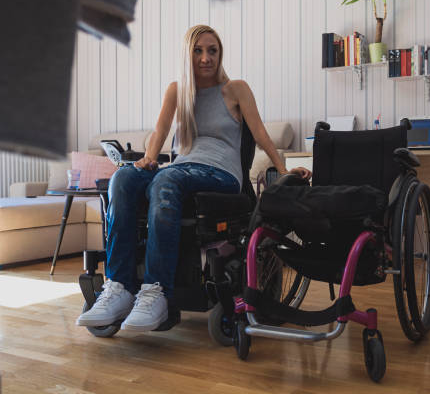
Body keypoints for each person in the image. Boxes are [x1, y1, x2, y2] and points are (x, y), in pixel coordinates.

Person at [76, 25, 311, 332]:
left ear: (220, 54)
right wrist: (147, 160)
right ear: (188, 54)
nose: (205, 58)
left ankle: (156, 293)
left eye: (212, 50)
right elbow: (159, 133)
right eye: (198, 51)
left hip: (221, 175)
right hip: (181, 172)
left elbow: (262, 135)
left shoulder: (236, 89)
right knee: (123, 178)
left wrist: (283, 171)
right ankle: (118, 287)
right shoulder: (178, 91)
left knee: (166, 180)